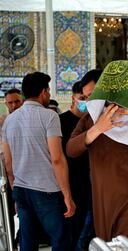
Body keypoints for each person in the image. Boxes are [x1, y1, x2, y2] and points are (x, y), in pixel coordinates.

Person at [66, 72, 128, 251]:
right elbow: (71, 149)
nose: (89, 100)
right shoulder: (89, 120)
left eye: (93, 94)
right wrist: (98, 128)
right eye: (85, 97)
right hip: (104, 201)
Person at [2, 72, 75, 250]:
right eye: (48, 91)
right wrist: (67, 195)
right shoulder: (49, 116)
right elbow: (57, 159)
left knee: (28, 241)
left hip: (21, 189)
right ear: (43, 92)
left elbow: (9, 164)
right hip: (47, 191)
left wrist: (15, 191)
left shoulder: (9, 121)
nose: (49, 95)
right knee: (60, 239)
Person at [59, 81, 92, 250]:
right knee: (76, 230)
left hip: (92, 182)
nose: (85, 102)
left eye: (88, 98)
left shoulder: (94, 121)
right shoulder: (61, 121)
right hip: (73, 182)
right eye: (82, 98)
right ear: (73, 98)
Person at [0, 88, 23, 247]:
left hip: (26, 172)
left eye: (17, 101)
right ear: (5, 103)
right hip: (7, 174)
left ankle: (20, 238)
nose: (14, 105)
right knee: (10, 210)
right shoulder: (3, 122)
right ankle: (12, 243)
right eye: (10, 102)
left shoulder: (29, 120)